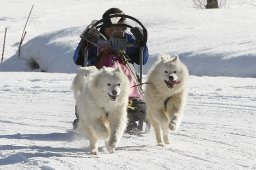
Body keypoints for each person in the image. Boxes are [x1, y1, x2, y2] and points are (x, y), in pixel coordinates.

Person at [72, 8, 149, 133]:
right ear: (107, 26)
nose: (121, 29)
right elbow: (78, 59)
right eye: (118, 25)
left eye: (123, 26)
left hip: (124, 80)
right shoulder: (93, 39)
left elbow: (142, 60)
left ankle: (129, 108)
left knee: (141, 109)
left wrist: (142, 44)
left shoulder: (128, 39)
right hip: (98, 82)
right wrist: (84, 44)